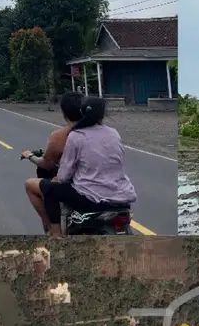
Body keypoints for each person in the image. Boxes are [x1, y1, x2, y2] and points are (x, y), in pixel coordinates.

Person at [24, 92, 136, 236]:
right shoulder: (113, 133)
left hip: (92, 198)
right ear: (102, 115)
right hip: (122, 197)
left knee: (50, 190)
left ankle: (55, 237)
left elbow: (63, 176)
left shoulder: (75, 136)